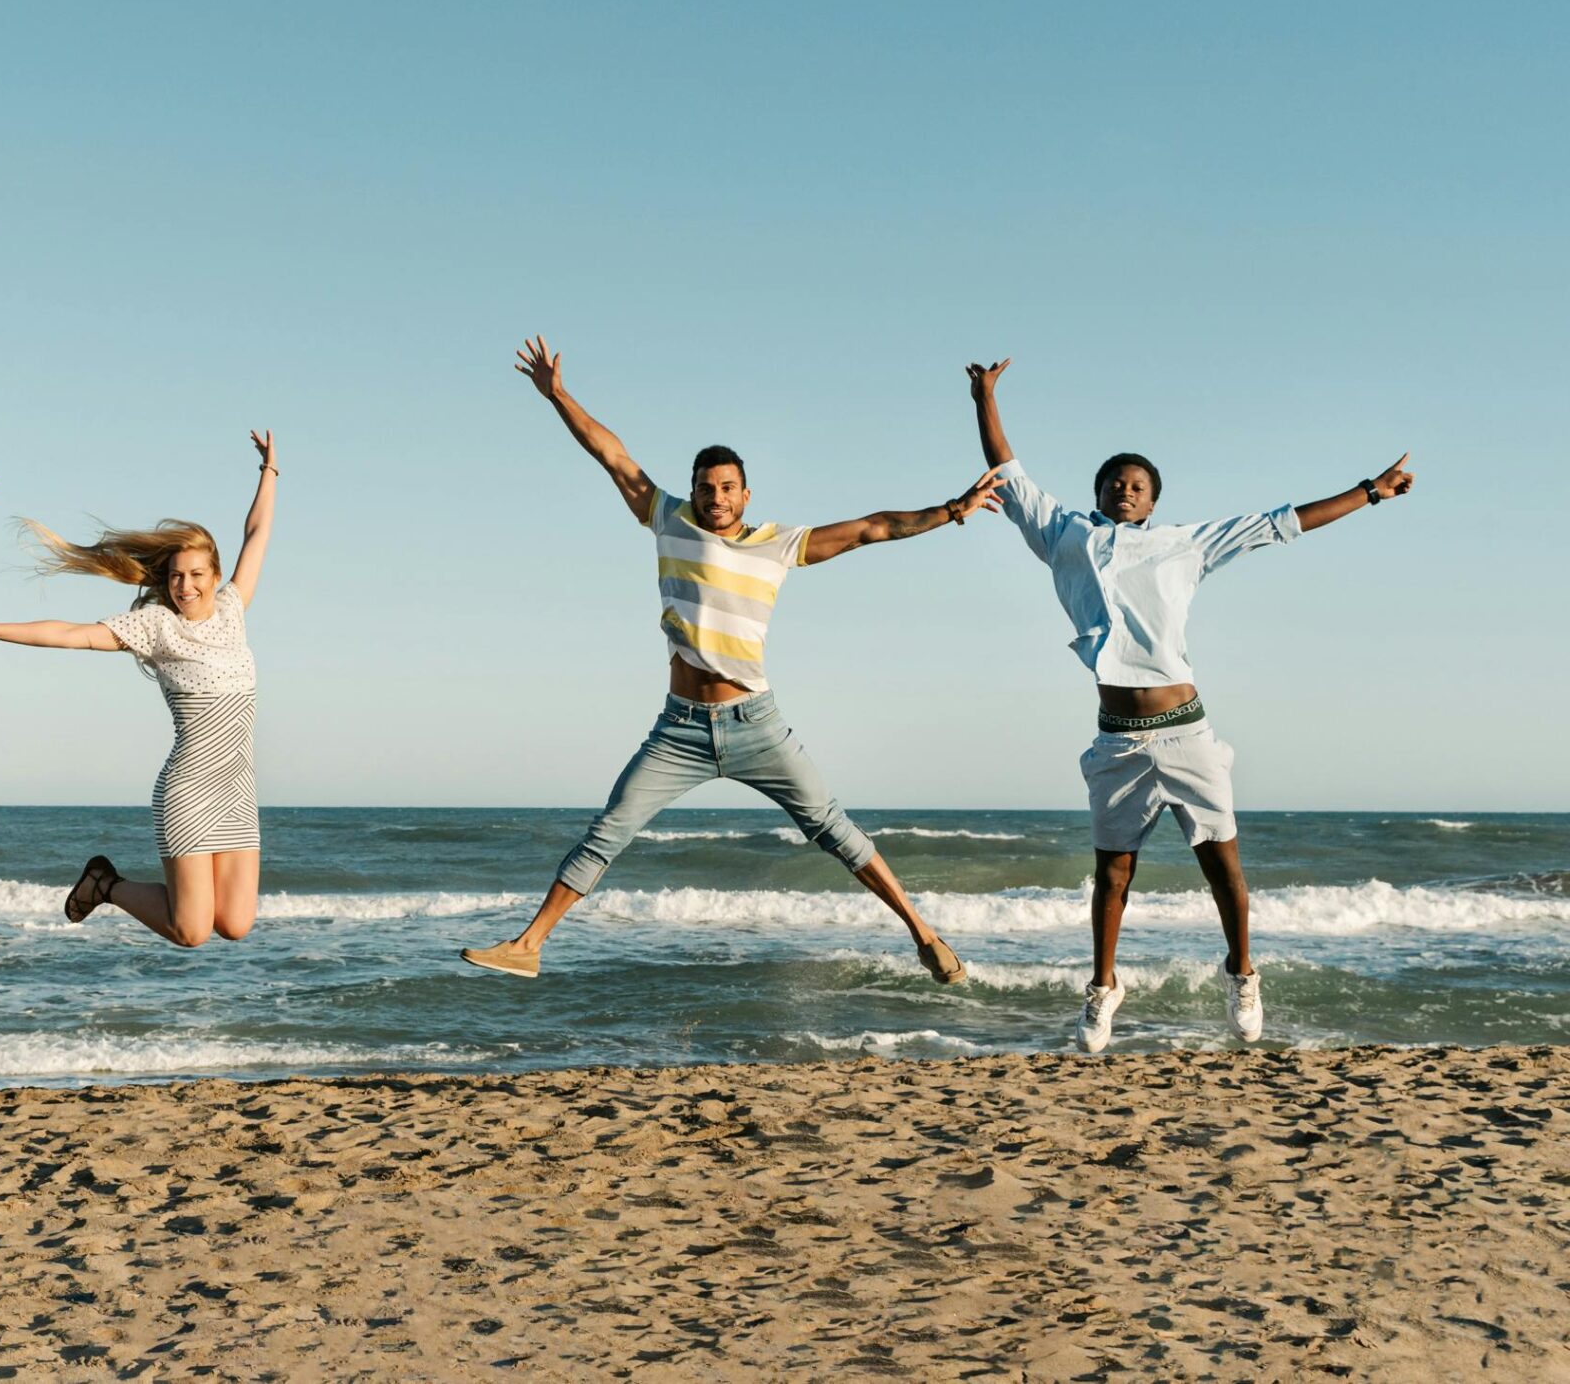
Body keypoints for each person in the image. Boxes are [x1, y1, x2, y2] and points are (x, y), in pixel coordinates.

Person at [462, 338, 991, 982]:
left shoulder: (778, 545)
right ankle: (529, 945)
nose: (716, 496)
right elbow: (611, 454)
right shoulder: (667, 519)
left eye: (727, 487)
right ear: (693, 491)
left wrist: (949, 510)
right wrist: (558, 396)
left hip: (755, 725)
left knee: (833, 829)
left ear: (745, 494)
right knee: (611, 828)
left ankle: (925, 935)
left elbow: (871, 527)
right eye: (706, 487)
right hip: (679, 729)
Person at [966, 357, 1416, 1051]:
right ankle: (1104, 988)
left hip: (1185, 731)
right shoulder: (1063, 536)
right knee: (1112, 874)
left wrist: (1373, 492)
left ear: (1153, 503)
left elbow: (1284, 522)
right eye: (1116, 481)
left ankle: (1242, 971)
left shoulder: (1186, 544)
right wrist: (985, 395)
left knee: (1222, 866)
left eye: (1139, 485)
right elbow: (1009, 471)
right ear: (1099, 492)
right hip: (1118, 738)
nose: (1126, 489)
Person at [0, 432, 277, 949]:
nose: (186, 586)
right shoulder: (156, 627)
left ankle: (105, 883)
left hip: (237, 792)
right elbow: (72, 634)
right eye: (176, 576)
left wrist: (269, 472)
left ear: (215, 574)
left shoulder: (233, 609)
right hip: (187, 793)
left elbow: (256, 534)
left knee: (234, 924)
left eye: (196, 575)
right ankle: (106, 884)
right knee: (191, 932)